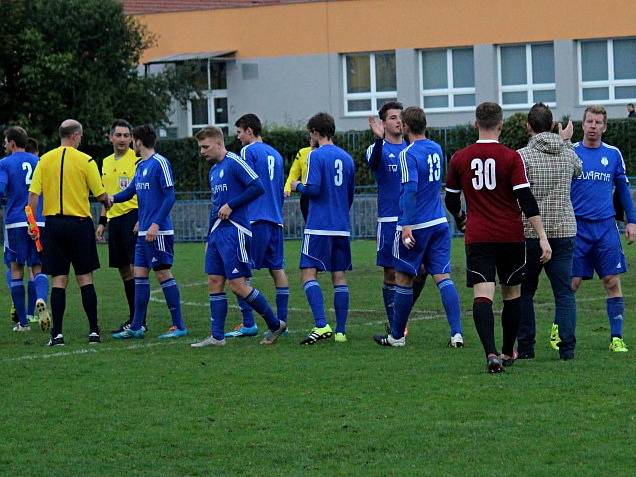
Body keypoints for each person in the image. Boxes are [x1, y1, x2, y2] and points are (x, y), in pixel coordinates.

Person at [444, 102, 552, 373]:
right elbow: (525, 199)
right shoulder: (511, 157)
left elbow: (450, 199)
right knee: (512, 294)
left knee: (483, 294)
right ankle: (506, 352)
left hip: (478, 235)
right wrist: (542, 236)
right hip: (510, 236)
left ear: (475, 123)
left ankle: (490, 353)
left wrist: (460, 218)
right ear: (501, 124)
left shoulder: (460, 157)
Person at [373, 106, 463, 348]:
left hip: (420, 224)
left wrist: (406, 226)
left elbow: (410, 190)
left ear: (405, 127)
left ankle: (397, 336)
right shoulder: (435, 147)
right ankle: (457, 333)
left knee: (402, 278)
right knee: (443, 277)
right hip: (440, 221)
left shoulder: (408, 154)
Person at [191, 126, 286, 347]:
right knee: (214, 281)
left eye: (205, 147)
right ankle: (217, 337)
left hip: (235, 231)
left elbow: (257, 186)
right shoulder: (214, 171)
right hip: (217, 233)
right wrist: (208, 237)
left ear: (218, 143)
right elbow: (215, 207)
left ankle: (275, 324)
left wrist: (232, 205)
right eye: (200, 147)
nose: (202, 151)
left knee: (237, 284)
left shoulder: (234, 161)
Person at [28, 119, 110, 346]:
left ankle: (58, 335)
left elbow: (33, 195)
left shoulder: (44, 160)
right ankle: (94, 331)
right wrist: (108, 202)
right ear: (75, 135)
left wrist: (32, 223)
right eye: (80, 137)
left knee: (59, 280)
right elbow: (101, 194)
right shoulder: (86, 160)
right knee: (85, 279)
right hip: (79, 224)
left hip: (53, 225)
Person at [366, 102, 437, 341]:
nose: (397, 121)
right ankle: (396, 325)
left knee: (422, 270)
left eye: (400, 117)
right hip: (388, 221)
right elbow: (373, 165)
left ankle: (400, 318)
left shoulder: (413, 148)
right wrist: (377, 140)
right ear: (384, 123)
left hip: (414, 221)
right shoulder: (377, 148)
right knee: (390, 274)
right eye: (392, 117)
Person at [516, 104, 582, 361]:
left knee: (525, 292)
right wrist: (565, 141)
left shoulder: (522, 156)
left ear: (528, 127)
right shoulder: (567, 153)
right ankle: (567, 349)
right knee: (564, 293)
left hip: (530, 232)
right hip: (564, 229)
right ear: (552, 123)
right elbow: (579, 169)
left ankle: (526, 348)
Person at [110, 124, 187, 340]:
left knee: (163, 273)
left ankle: (178, 325)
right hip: (143, 232)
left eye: (132, 139)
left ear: (139, 141)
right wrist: (111, 198)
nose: (131, 144)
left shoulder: (160, 163)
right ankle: (136, 326)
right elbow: (131, 191)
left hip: (158, 232)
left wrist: (154, 224)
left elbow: (170, 196)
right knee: (140, 276)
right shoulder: (140, 165)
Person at [569, 105, 636, 353]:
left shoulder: (613, 154)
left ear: (605, 127)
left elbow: (623, 191)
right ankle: (561, 333)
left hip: (606, 227)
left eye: (598, 122)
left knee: (611, 281)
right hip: (577, 228)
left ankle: (616, 337)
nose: (593, 126)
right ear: (583, 124)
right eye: (589, 122)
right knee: (572, 283)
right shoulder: (571, 152)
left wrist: (632, 221)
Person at [223, 114, 289, 338]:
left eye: (240, 132)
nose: (239, 137)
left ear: (249, 131)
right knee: (277, 269)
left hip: (254, 219)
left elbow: (246, 184)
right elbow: (279, 188)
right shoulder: (276, 154)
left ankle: (248, 322)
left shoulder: (247, 152)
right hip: (276, 219)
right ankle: (283, 321)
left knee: (240, 272)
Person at [291, 112, 355, 344]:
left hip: (319, 226)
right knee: (339, 276)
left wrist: (297, 185)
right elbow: (350, 195)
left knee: (308, 273)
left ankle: (321, 325)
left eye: (311, 133)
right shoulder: (347, 158)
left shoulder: (316, 156)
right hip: (341, 226)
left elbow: (314, 189)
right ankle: (340, 331)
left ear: (316, 133)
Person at [95, 119, 147, 334]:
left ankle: (140, 321)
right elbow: (105, 195)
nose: (123, 139)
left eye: (127, 136)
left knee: (136, 270)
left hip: (133, 217)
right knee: (124, 272)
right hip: (115, 221)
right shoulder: (105, 162)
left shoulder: (137, 160)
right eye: (119, 135)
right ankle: (133, 317)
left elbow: (145, 191)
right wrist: (102, 221)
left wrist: (142, 218)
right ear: (111, 137)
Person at [1, 126, 49, 332]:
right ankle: (40, 298)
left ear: (12, 142)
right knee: (37, 266)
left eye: (4, 141)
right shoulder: (39, 161)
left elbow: (1, 189)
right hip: (38, 221)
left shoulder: (4, 163)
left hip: (16, 222)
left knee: (16, 269)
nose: (4, 145)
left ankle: (23, 323)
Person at [284, 142, 312, 222]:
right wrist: (287, 187)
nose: (311, 140)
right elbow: (294, 173)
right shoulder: (302, 152)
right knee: (309, 225)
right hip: (306, 195)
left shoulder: (325, 153)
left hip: (321, 195)